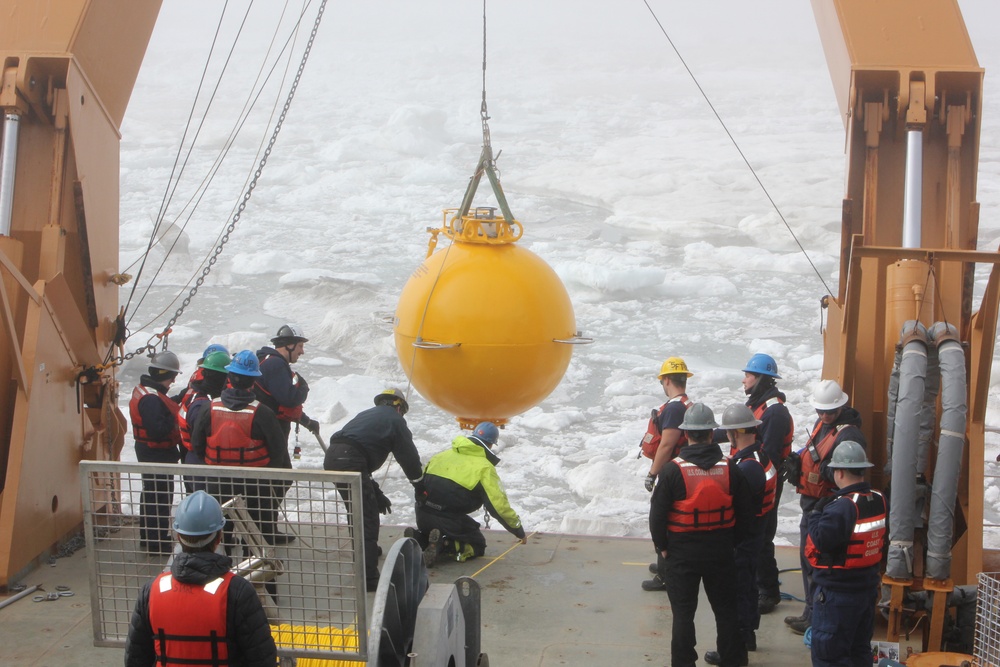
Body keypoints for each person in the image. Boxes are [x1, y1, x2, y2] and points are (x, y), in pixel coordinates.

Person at [648, 403, 753, 667]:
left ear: (687, 435)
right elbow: (746, 515)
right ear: (711, 434)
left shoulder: (672, 471)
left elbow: (657, 516)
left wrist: (662, 548)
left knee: (683, 614)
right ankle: (733, 660)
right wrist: (731, 542)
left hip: (682, 554)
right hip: (720, 551)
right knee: (726, 611)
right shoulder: (731, 468)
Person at [124, 490, 277, 667]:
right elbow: (262, 658)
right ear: (219, 537)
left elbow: (135, 659)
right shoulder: (237, 592)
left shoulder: (151, 591)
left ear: (178, 536)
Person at [783, 379, 865, 635]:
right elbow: (814, 451)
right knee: (808, 561)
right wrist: (800, 460)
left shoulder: (848, 434)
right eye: (820, 411)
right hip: (812, 503)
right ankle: (810, 613)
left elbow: (850, 471)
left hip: (826, 506)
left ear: (840, 406)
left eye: (828, 411)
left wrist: (819, 469)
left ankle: (816, 616)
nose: (824, 415)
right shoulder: (825, 424)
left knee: (816, 564)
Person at [323, 388, 425, 591]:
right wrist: (420, 484)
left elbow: (358, 453)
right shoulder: (395, 421)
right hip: (350, 459)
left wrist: (377, 494)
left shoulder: (368, 414)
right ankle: (368, 577)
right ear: (399, 406)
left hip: (334, 456)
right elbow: (409, 457)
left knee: (358, 507)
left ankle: (367, 550)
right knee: (367, 516)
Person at [191, 350, 293, 547]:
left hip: (218, 482)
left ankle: (224, 564)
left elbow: (197, 445)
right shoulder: (262, 412)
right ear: (253, 381)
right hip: (255, 485)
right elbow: (278, 451)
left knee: (219, 531)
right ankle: (258, 573)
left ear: (229, 377)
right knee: (258, 535)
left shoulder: (209, 408)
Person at [805, 441, 886, 667]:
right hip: (866, 590)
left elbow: (821, 540)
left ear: (838, 472)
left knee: (829, 656)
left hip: (837, 596)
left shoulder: (841, 507)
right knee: (859, 651)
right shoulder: (878, 499)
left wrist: (816, 513)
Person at [706, 404, 775, 663]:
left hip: (744, 539)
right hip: (756, 533)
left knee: (737, 594)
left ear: (734, 434)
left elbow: (732, 504)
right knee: (747, 589)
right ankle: (747, 636)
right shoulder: (761, 457)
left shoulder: (747, 467)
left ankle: (734, 649)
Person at [408, 421, 527, 567]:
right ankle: (445, 545)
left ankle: (420, 538)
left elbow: (421, 483)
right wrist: (518, 530)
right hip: (449, 520)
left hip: (422, 514)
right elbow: (499, 506)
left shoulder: (441, 455)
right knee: (477, 545)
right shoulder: (484, 467)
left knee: (437, 527)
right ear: (490, 445)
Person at [740, 353, 795, 615]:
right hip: (755, 476)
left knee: (762, 535)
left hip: (764, 482)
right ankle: (761, 583)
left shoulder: (774, 412)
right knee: (756, 534)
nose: (744, 380)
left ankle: (768, 591)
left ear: (761, 378)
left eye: (748, 375)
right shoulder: (760, 406)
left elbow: (770, 455)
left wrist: (757, 487)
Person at [640, 356, 693, 591]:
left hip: (674, 472)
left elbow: (667, 445)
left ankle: (665, 574)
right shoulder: (685, 405)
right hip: (681, 470)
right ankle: (665, 564)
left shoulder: (673, 409)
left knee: (662, 519)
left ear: (668, 380)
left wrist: (653, 473)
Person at [129, 350, 184, 554]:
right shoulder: (151, 400)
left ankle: (150, 536)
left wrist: (177, 400)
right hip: (156, 452)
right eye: (173, 377)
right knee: (159, 496)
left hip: (147, 450)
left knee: (151, 493)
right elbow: (158, 430)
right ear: (165, 375)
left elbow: (162, 405)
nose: (173, 381)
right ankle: (156, 541)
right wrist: (175, 417)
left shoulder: (145, 391)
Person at [254, 323, 320, 448]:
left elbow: (275, 399)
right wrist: (303, 387)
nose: (302, 351)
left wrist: (306, 421)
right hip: (271, 430)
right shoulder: (275, 364)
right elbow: (290, 400)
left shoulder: (265, 360)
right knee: (280, 466)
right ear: (290, 345)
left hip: (261, 426)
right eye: (300, 346)